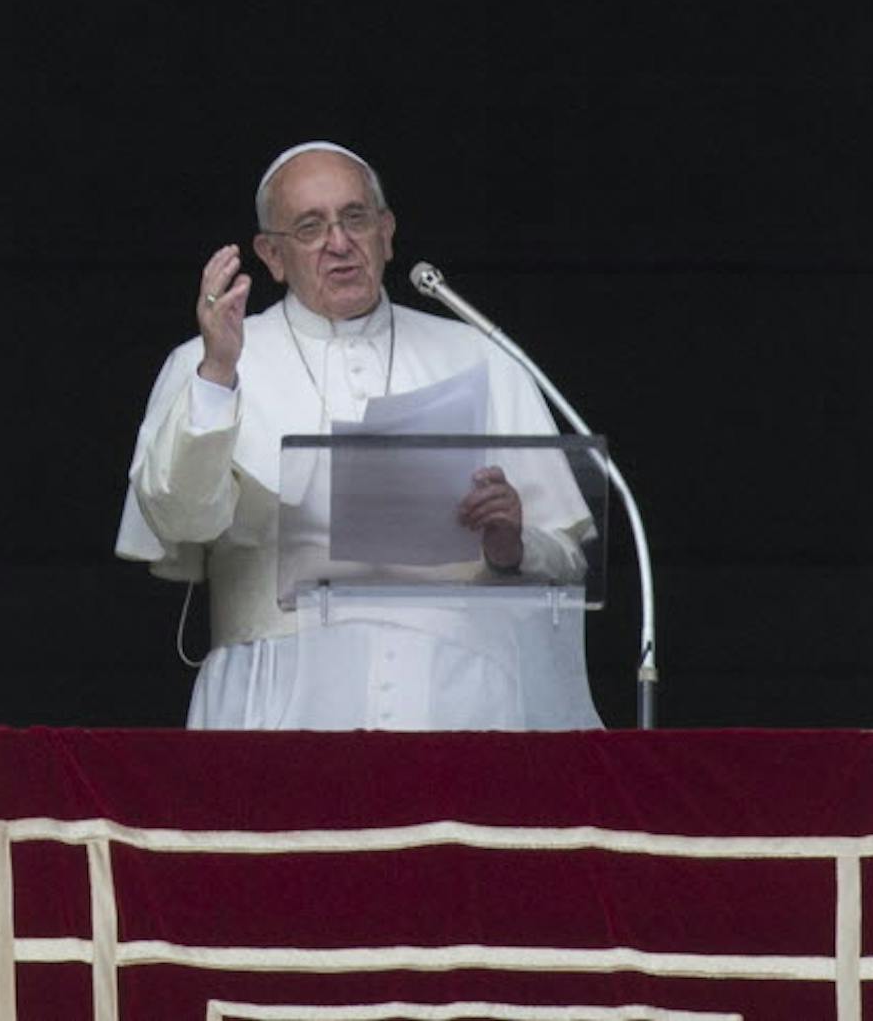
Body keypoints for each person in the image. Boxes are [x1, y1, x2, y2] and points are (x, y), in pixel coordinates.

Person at [115, 141, 601, 730]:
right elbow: (180, 520)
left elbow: (568, 558)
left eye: (355, 218)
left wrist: (512, 542)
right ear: (270, 254)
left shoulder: (479, 355)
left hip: (461, 701)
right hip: (277, 700)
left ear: (387, 232)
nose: (339, 243)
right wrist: (219, 375)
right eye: (310, 227)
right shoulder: (208, 362)